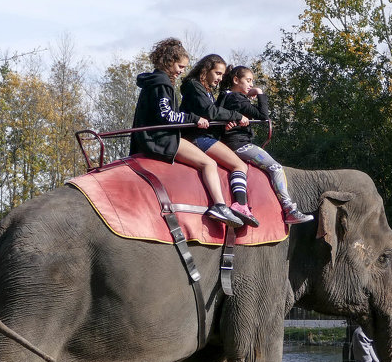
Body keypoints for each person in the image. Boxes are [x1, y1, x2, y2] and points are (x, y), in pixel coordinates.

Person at [130, 38, 243, 227]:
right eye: (180, 66)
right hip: (161, 139)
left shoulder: (153, 81)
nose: (182, 70)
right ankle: (219, 205)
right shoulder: (162, 84)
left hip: (149, 136)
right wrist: (194, 119)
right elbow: (167, 116)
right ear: (168, 62)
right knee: (208, 163)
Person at [216, 65, 314, 225]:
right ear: (235, 80)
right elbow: (263, 115)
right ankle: (289, 208)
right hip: (239, 145)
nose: (250, 85)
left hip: (230, 143)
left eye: (252, 82)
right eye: (247, 81)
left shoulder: (226, 98)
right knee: (275, 167)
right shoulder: (236, 98)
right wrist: (259, 92)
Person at [178, 54, 259, 227]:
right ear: (206, 70)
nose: (220, 78)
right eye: (217, 73)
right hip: (197, 138)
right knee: (240, 165)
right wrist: (237, 115)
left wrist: (225, 126)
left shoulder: (205, 90)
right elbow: (210, 112)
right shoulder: (194, 86)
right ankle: (233, 205)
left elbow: (212, 115)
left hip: (204, 135)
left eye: (222, 75)